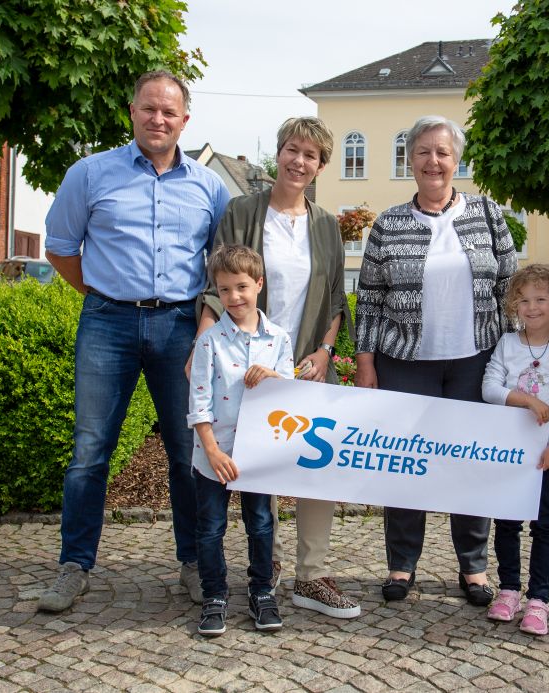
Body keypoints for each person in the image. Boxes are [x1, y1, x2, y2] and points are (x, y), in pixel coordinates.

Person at [39, 70, 230, 612]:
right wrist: (102, 294)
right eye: (149, 109)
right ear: (132, 111)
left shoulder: (209, 186)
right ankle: (74, 566)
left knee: (188, 449)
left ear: (185, 120)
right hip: (108, 324)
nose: (158, 119)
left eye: (169, 112)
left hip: (179, 327)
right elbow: (60, 248)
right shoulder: (90, 174)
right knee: (89, 451)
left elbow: (219, 263)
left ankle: (193, 562)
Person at [195, 116, 360, 619]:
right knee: (252, 464)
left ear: (321, 166)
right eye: (292, 149)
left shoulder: (326, 224)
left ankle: (312, 575)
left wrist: (325, 351)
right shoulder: (244, 210)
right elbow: (216, 282)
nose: (298, 161)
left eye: (310, 155)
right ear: (279, 154)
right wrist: (203, 344)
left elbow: (335, 298)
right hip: (244, 364)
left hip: (305, 363)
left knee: (316, 470)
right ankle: (266, 569)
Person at [355, 115, 518, 605]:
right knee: (406, 465)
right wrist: (365, 363)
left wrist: (513, 357)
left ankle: (473, 568)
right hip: (406, 360)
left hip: (476, 360)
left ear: (456, 159)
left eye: (442, 152)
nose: (433, 161)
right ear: (410, 160)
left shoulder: (488, 215)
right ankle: (401, 565)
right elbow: (368, 297)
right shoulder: (388, 223)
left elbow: (510, 287)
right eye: (423, 152)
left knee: (471, 462)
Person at [188, 245, 293, 634]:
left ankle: (262, 591)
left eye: (242, 287)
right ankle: (214, 594)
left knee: (261, 524)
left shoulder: (278, 339)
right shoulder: (209, 341)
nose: (234, 297)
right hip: (213, 456)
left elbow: (291, 393)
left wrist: (272, 377)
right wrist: (212, 450)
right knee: (211, 527)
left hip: (257, 454)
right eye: (225, 289)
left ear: (259, 285)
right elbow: (198, 402)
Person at [482, 265, 549, 635]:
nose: (532, 307)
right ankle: (508, 590)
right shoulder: (507, 344)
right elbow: (489, 388)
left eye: (541, 299)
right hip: (511, 451)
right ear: (513, 306)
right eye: (524, 301)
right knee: (506, 522)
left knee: (545, 523)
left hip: (548, 454)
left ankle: (539, 598)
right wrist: (525, 401)